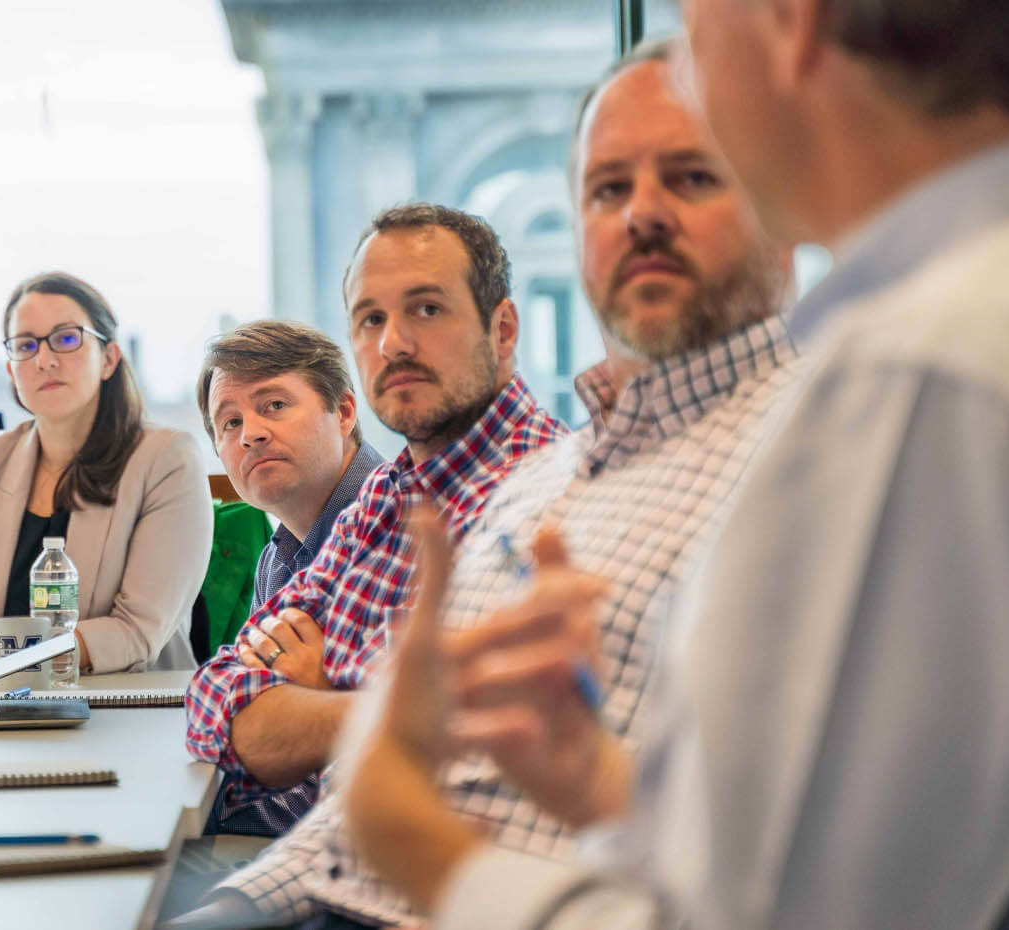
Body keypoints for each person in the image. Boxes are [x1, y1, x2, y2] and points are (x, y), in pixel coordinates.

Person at [347, 3, 1009, 929]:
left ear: (788, 21)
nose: (684, 73)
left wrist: (405, 836)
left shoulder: (926, 376)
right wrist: (611, 790)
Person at [168, 40, 798, 929]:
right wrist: (230, 908)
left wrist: (353, 716)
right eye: (608, 191)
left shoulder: (788, 454)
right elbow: (243, 716)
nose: (641, 216)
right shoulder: (542, 481)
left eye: (692, 177)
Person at [186, 204, 567, 836]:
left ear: (502, 331)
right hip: (323, 859)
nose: (393, 342)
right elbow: (212, 701)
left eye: (426, 308)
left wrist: (323, 695)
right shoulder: (384, 500)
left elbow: (478, 752)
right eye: (371, 319)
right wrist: (372, 707)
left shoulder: (553, 491)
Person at [0, 272, 211, 674]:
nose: (44, 360)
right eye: (26, 345)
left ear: (109, 359)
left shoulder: (168, 459)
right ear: (11, 370)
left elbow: (138, 634)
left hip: (129, 709)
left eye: (66, 338)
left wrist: (6, 648)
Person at [197, 320, 384, 615]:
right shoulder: (274, 562)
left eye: (275, 405)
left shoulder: (402, 522)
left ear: (343, 412)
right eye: (232, 423)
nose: (250, 434)